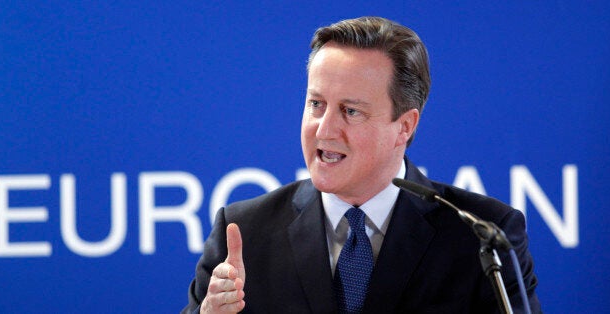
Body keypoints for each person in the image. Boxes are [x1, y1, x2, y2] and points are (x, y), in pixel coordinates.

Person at [182, 16, 541, 314]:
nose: (324, 130)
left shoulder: (480, 236)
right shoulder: (244, 232)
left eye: (350, 111)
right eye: (316, 104)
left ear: (405, 126)